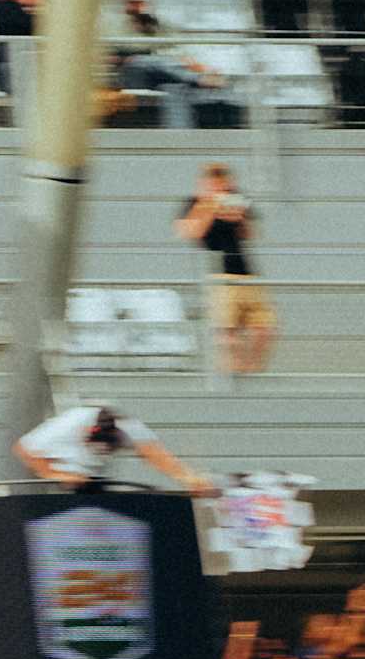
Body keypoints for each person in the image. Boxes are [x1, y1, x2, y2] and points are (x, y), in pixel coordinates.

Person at [179, 163, 274, 377]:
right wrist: (210, 206)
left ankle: (252, 371)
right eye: (215, 180)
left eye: (223, 180)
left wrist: (240, 217)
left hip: (246, 273)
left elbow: (251, 234)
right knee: (227, 329)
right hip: (219, 273)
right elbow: (190, 232)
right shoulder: (195, 203)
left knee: (263, 327)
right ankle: (231, 373)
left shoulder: (237, 199)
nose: (221, 184)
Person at [14, 399, 213, 493]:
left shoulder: (128, 428)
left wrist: (188, 478)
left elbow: (156, 455)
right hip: (60, 471)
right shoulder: (69, 424)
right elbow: (24, 449)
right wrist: (56, 474)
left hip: (93, 478)